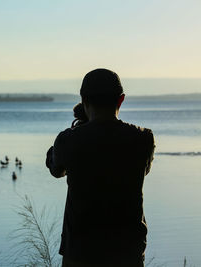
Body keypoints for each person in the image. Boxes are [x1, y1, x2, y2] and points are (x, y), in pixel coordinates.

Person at [46, 69, 155, 267]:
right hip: (128, 250)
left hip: (80, 250)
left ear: (83, 100)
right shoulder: (143, 138)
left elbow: (56, 170)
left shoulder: (68, 140)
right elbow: (143, 170)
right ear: (121, 100)